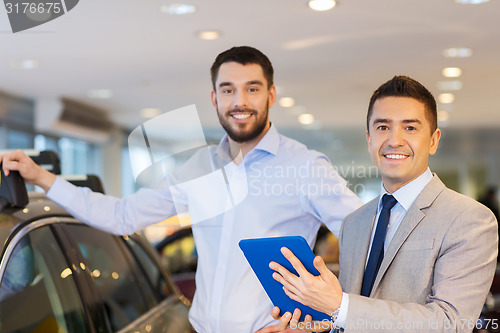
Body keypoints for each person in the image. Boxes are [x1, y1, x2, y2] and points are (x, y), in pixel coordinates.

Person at [0, 46, 363, 333]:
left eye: (252, 89)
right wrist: (41, 177)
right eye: (228, 90)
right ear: (214, 98)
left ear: (271, 94)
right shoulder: (199, 167)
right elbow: (122, 216)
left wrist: (324, 323)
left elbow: (366, 240)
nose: (239, 101)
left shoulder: (304, 166)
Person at [269, 75, 498, 332]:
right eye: (382, 127)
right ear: (369, 139)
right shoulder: (354, 222)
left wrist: (339, 305)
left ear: (433, 140)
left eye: (410, 128)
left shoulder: (470, 219)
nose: (394, 140)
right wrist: (314, 326)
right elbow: (350, 317)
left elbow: (451, 323)